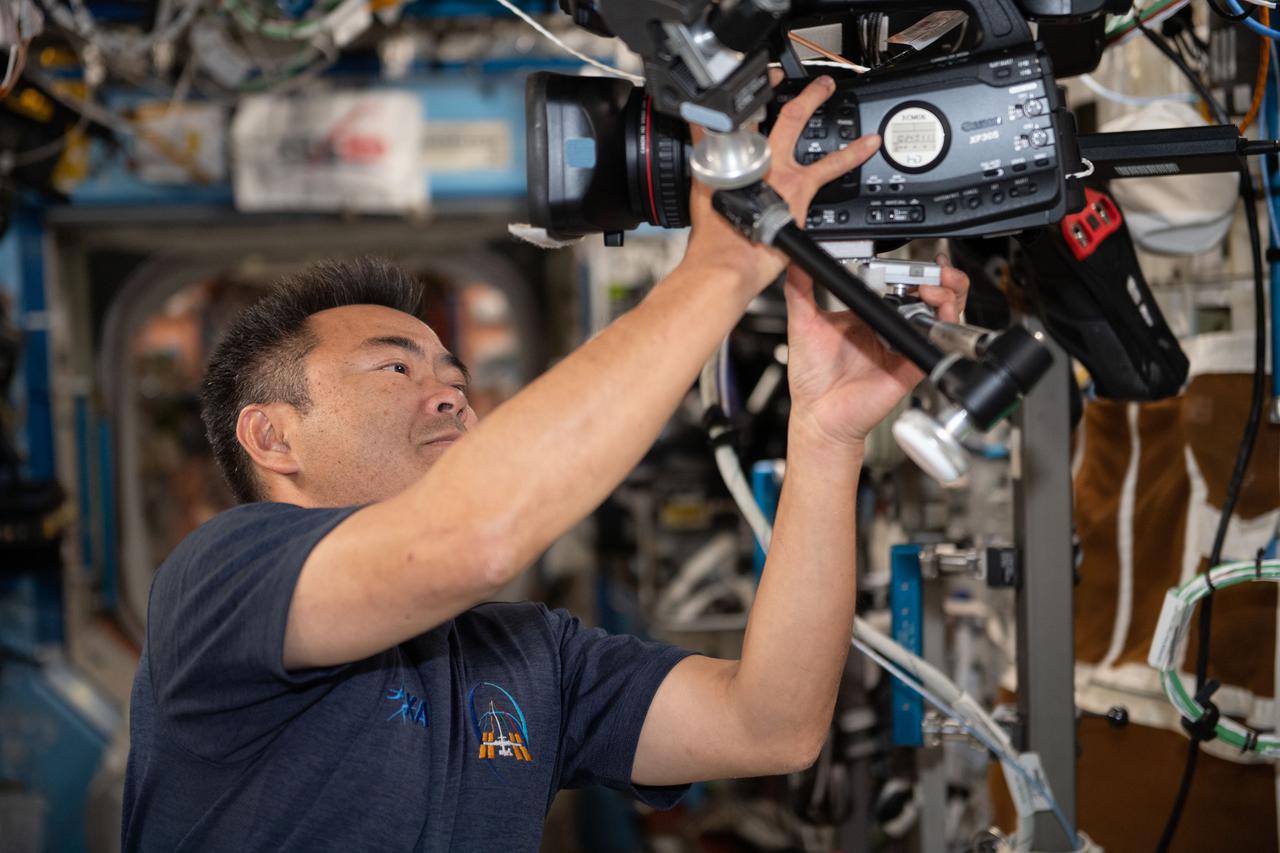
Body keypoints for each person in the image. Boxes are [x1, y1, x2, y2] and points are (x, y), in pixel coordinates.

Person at [121, 75, 969, 852]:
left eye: (456, 377)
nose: (451, 396)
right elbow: (471, 540)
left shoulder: (525, 655)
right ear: (272, 438)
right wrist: (723, 262)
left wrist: (825, 435)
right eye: (394, 369)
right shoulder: (219, 580)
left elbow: (770, 726)